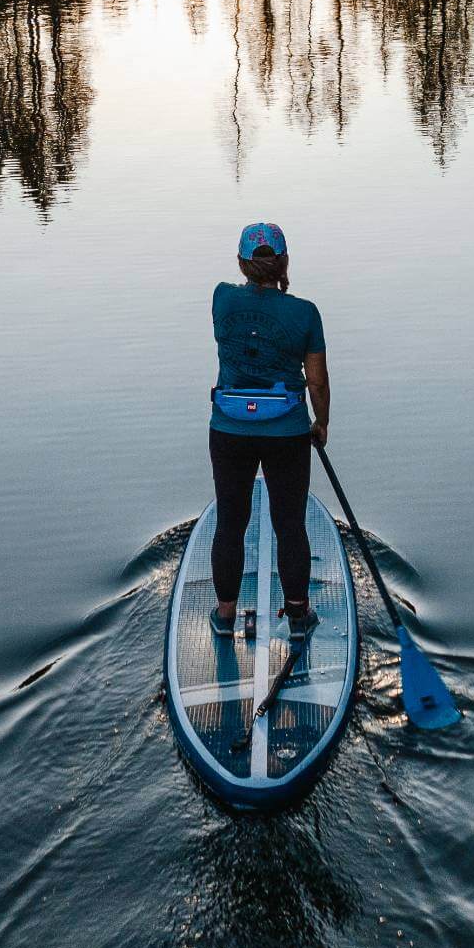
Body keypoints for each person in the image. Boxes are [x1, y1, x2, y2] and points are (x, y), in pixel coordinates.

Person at [209, 221, 330, 642]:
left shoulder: (221, 299)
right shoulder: (305, 313)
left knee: (231, 521)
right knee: (289, 524)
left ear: (242, 263)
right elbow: (316, 381)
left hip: (229, 429)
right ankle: (298, 617)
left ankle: (224, 617)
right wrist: (321, 422)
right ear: (284, 262)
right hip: (287, 433)